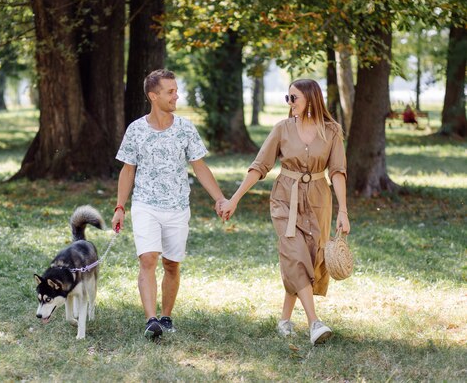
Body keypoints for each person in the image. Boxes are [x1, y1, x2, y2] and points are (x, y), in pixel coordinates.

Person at [219, 79, 351, 345]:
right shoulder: (282, 129)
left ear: (311, 100)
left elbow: (337, 172)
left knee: (309, 259)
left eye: (294, 98)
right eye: (288, 97)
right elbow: (259, 166)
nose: (289, 103)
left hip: (318, 201)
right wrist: (234, 199)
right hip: (284, 200)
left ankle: (284, 320)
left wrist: (343, 210)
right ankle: (315, 322)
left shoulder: (332, 131)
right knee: (294, 254)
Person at [111, 69, 226, 340]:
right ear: (154, 96)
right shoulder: (136, 129)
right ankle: (151, 320)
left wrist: (220, 198)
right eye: (170, 91)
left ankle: (166, 316)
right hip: (145, 204)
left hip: (177, 206)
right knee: (148, 259)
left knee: (172, 264)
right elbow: (128, 171)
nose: (177, 95)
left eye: (176, 90)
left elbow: (200, 167)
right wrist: (120, 206)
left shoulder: (185, 128)